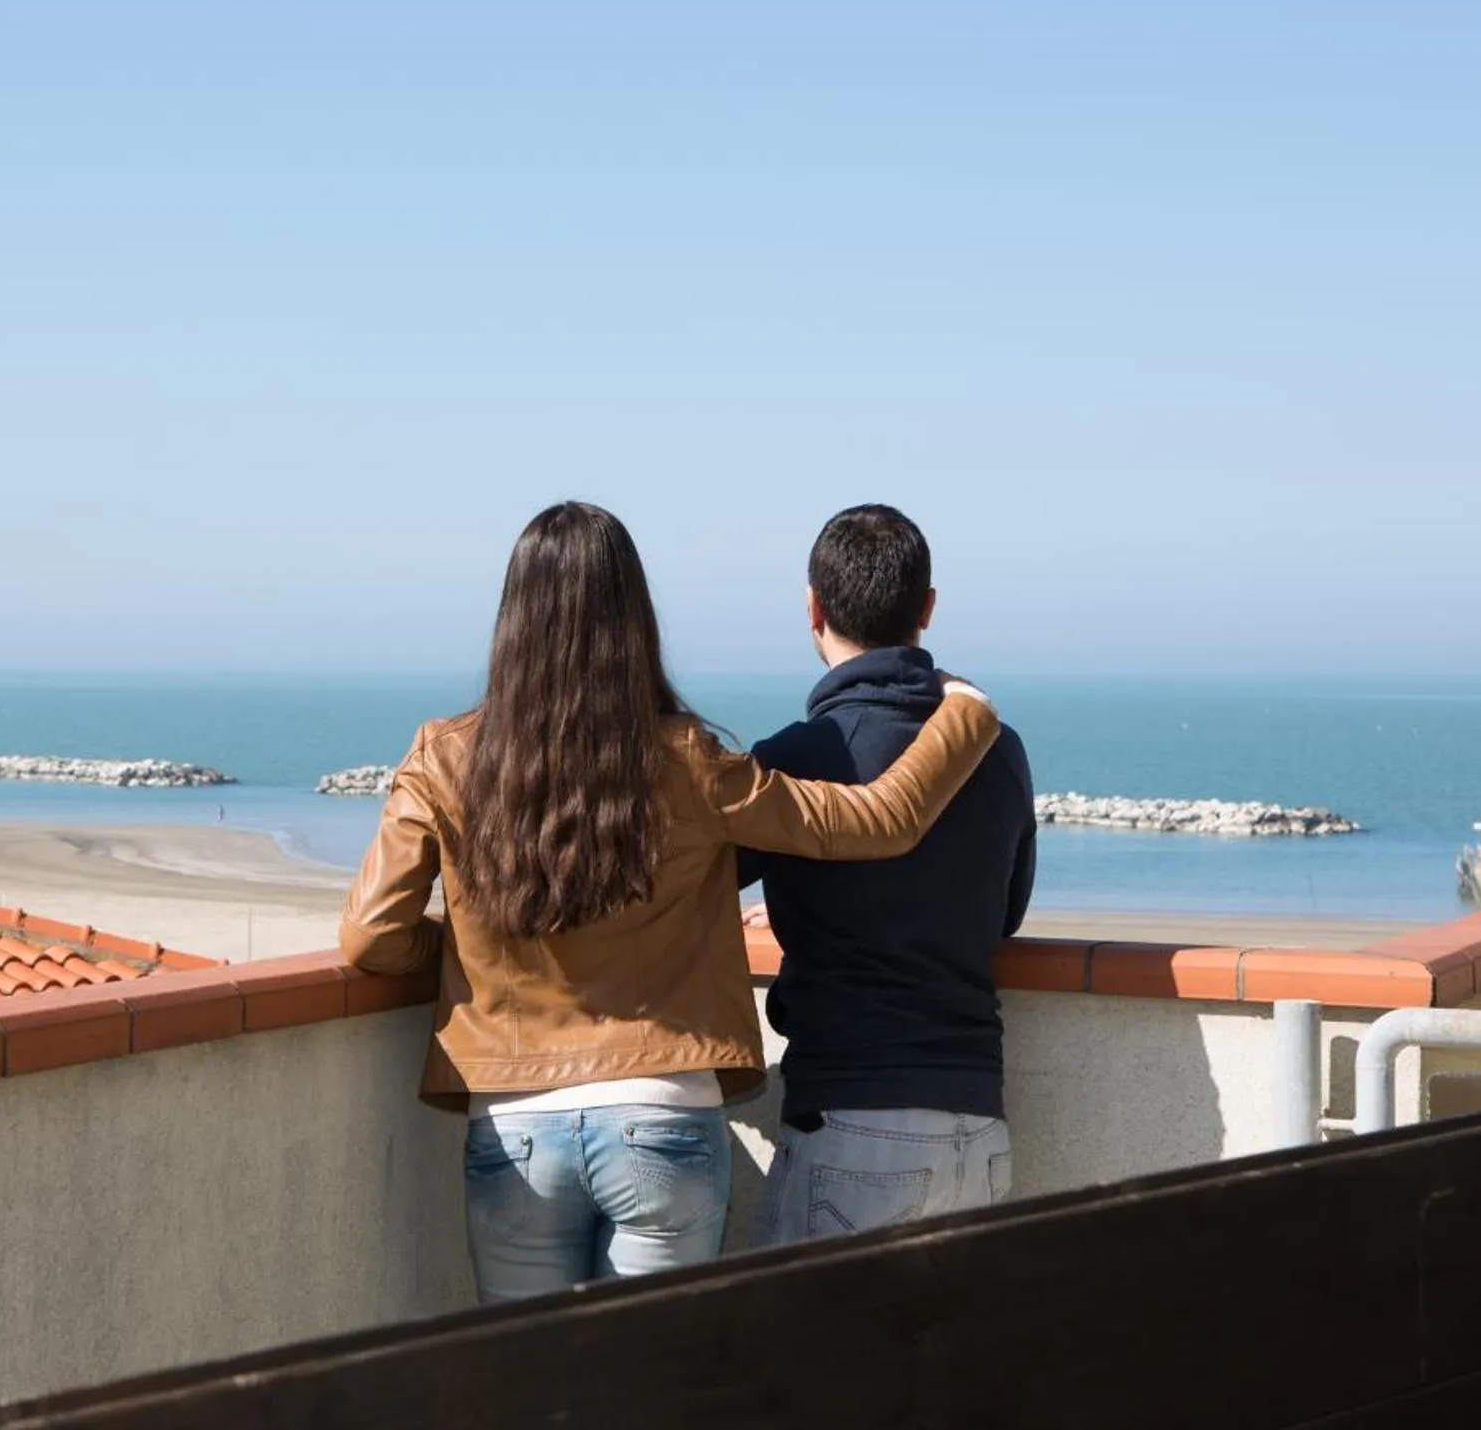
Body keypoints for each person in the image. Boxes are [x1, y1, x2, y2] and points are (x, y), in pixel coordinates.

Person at [340, 500, 1001, 1304]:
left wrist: (458, 948)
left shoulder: (440, 757)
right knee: (651, 1386)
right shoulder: (686, 758)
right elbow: (877, 821)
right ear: (633, 617)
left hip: (509, 1124)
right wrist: (964, 716)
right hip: (665, 1114)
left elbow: (373, 935)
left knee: (529, 1386)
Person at [740, 504, 1036, 1248]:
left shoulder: (796, 756)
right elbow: (1002, 914)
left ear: (812, 607)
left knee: (813, 1358)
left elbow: (685, 892)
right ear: (926, 609)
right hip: (978, 1113)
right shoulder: (997, 750)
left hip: (848, 1113)